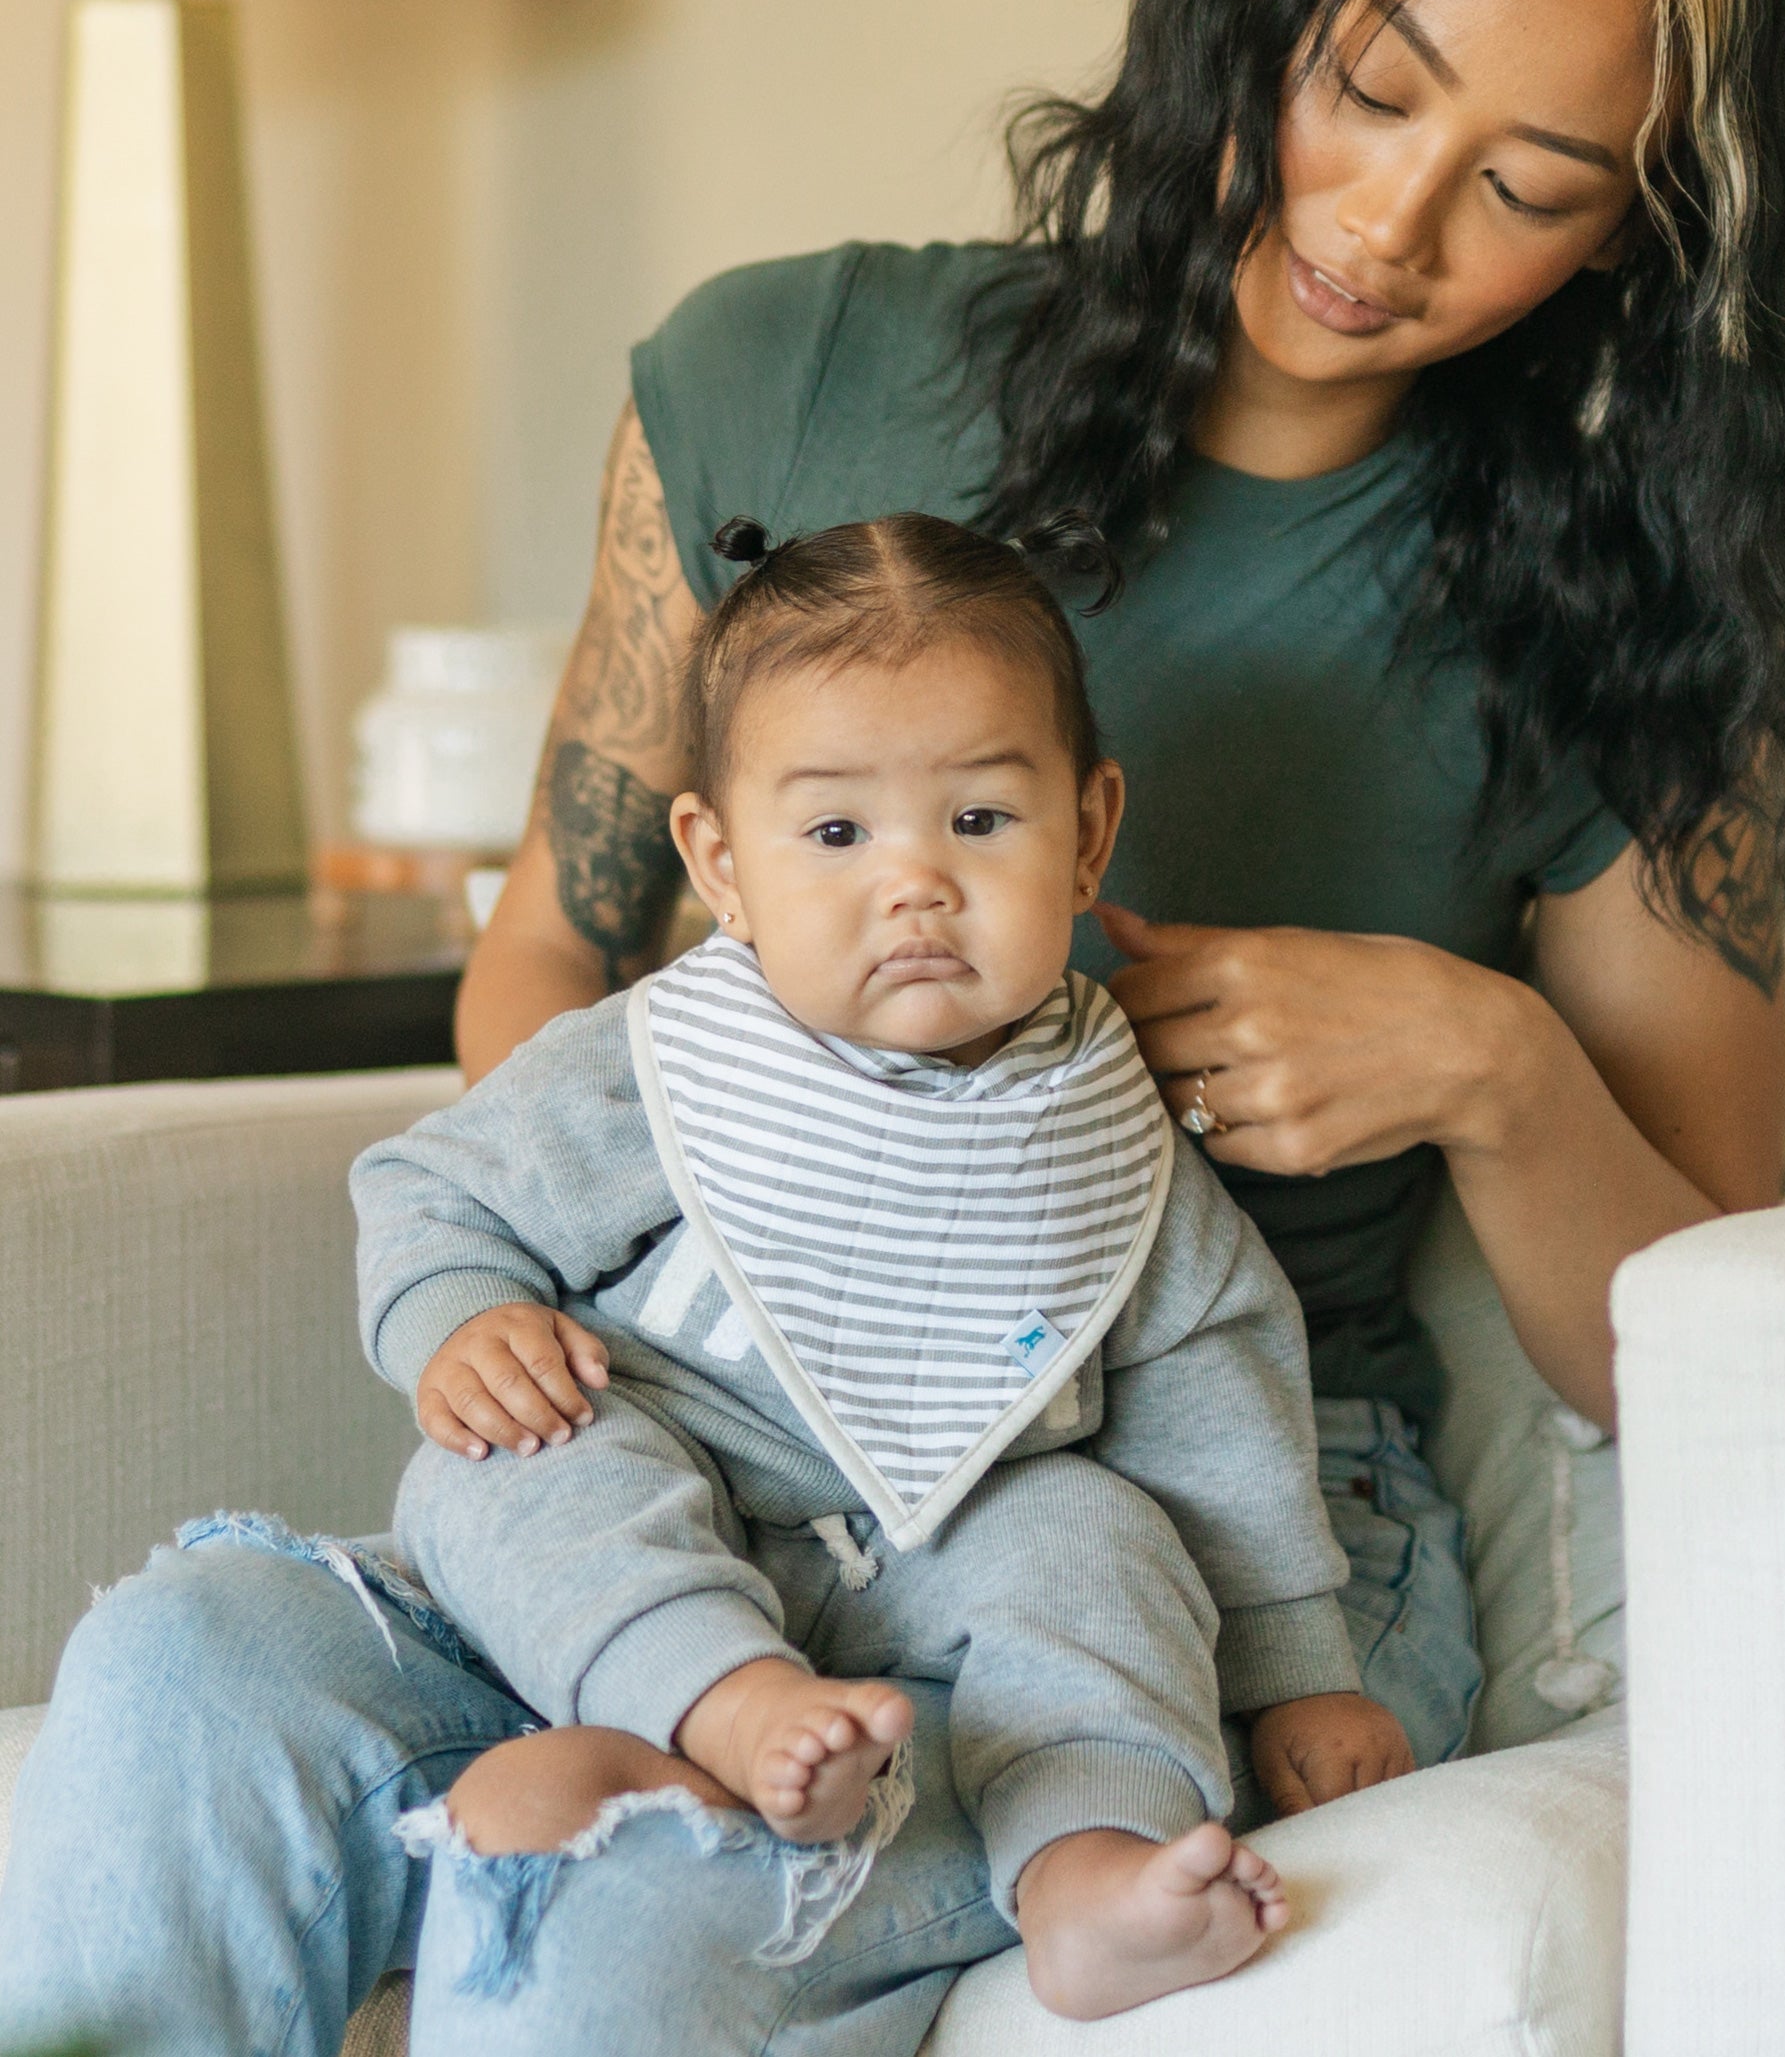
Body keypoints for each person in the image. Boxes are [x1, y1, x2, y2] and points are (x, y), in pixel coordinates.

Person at [0, 0, 1785, 2052]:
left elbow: (1724, 1362)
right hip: (696, 1413)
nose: (1384, 217)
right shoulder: (777, 370)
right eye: (1365, 79)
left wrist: (1493, 1066)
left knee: (646, 1921)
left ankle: (696, 1816)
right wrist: (659, 1234)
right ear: (1250, 15)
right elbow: (548, 962)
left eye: (1528, 187)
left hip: (1161, 1524)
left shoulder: (1634, 613)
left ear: (1634, 237)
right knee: (186, 1672)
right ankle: (647, 1736)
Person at [358, 510, 1413, 2021]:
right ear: (719, 862)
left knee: (1100, 1531)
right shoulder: (650, 1071)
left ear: (1089, 830)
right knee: (524, 1454)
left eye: (980, 821)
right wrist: (457, 1317)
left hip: (949, 1547)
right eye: (837, 833)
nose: (914, 881)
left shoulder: (1099, 1125)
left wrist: (1296, 1669)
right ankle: (716, 1704)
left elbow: (1221, 1414)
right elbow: (426, 1186)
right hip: (672, 1483)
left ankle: (1087, 1866)